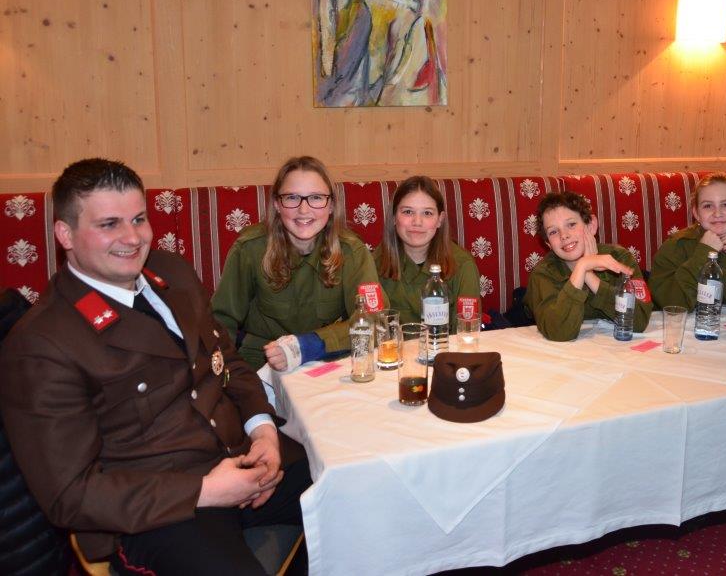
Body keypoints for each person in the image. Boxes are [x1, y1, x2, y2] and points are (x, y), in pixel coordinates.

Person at [0, 158, 308, 574]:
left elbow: (227, 359)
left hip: (242, 457)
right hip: (161, 509)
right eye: (109, 224)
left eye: (139, 219)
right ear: (65, 234)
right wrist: (206, 490)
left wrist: (264, 432)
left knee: (363, 495)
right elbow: (70, 495)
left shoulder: (171, 271)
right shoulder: (41, 342)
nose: (132, 238)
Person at [213, 155, 386, 371]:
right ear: (277, 204)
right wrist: (226, 375)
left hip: (325, 359)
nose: (304, 210)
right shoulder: (250, 249)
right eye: (292, 197)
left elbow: (375, 321)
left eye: (316, 198)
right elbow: (220, 322)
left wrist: (309, 345)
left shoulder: (352, 251)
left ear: (331, 205)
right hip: (261, 362)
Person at [524, 191, 652, 341]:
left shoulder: (618, 258)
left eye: (571, 224)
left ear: (591, 225)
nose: (564, 235)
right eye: (553, 232)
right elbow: (559, 332)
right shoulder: (543, 273)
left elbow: (639, 321)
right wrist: (582, 267)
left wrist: (588, 275)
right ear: (548, 244)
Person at [650, 172, 726, 310]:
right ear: (696, 213)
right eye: (708, 206)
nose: (717, 213)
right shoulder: (676, 245)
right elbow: (672, 305)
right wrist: (702, 253)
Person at [374, 175, 481, 327]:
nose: (417, 222)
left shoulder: (463, 265)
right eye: (408, 212)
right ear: (393, 217)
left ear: (440, 220)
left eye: (427, 213)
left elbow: (466, 330)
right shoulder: (374, 263)